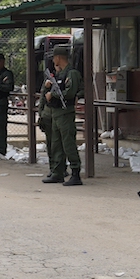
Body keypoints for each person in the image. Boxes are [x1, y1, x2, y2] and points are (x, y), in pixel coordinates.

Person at [41, 45, 83, 186]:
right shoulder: (59, 74)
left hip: (65, 114)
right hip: (56, 113)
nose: (53, 60)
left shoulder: (71, 73)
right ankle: (57, 173)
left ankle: (76, 173)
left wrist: (52, 94)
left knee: (68, 144)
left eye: (54, 57)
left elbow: (70, 92)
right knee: (56, 145)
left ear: (58, 58)